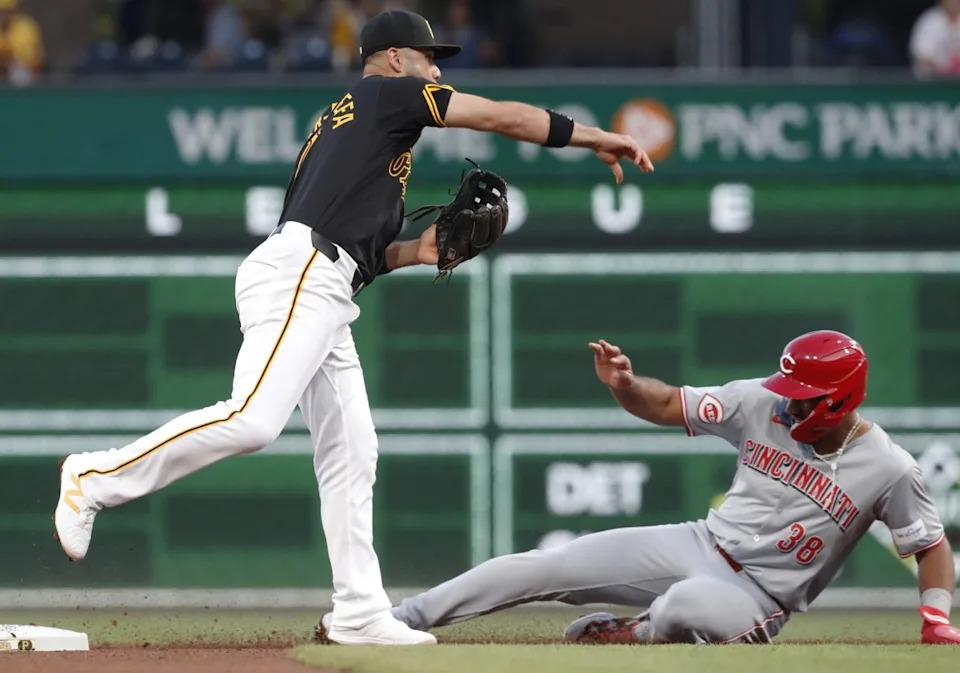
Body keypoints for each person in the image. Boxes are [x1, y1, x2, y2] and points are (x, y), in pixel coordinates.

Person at [53, 8, 652, 647]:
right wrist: (591, 136)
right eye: (429, 58)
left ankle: (359, 610)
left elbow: (352, 247)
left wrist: (412, 253)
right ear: (394, 58)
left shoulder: (357, 133)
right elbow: (499, 115)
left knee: (352, 449)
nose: (437, 68)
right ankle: (94, 479)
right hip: (302, 274)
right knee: (252, 420)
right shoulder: (385, 94)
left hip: (324, 280)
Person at [366, 330, 960, 645]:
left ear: (841, 401)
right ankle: (400, 617)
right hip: (697, 544)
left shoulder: (888, 467)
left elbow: (929, 545)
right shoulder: (761, 399)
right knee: (547, 565)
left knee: (684, 607)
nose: (787, 397)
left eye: (803, 394)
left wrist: (936, 617)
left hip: (757, 599)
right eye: (787, 385)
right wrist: (625, 385)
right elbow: (668, 402)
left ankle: (637, 634)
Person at [910, 0, 960, 78]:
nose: (954, 4)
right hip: (931, 82)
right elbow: (922, 56)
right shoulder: (929, 21)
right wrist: (945, 70)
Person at [0, 0, 44, 85]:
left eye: (7, 11)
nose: (3, 15)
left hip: (21, 76)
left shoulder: (26, 27)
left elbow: (30, 63)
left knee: (19, 72)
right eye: (1, 11)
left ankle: (20, 97)